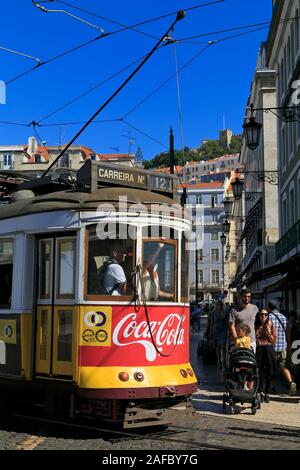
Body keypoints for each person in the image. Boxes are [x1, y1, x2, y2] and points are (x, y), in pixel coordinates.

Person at [267, 300, 297, 396]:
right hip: (283, 347)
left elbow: (267, 334)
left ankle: (272, 387)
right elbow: (288, 335)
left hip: (271, 348)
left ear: (269, 307)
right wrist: (288, 347)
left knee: (270, 368)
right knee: (284, 367)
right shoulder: (284, 318)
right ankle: (290, 382)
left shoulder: (268, 318)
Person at [255, 308, 277, 403]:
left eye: (265, 314)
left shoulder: (270, 324)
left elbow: (273, 341)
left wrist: (268, 331)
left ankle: (267, 392)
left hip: (268, 348)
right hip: (259, 348)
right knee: (259, 370)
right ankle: (260, 391)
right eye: (261, 314)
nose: (263, 316)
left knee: (270, 370)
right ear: (258, 315)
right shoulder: (255, 325)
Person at [209, 301, 228, 369]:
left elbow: (227, 323)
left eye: (222, 304)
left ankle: (224, 363)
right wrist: (210, 333)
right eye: (219, 304)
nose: (221, 306)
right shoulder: (213, 313)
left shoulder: (226, 313)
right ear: (217, 305)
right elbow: (211, 323)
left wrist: (228, 332)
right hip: (216, 331)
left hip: (223, 331)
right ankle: (219, 362)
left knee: (223, 347)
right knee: (217, 348)